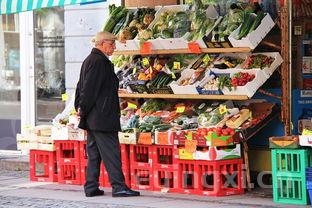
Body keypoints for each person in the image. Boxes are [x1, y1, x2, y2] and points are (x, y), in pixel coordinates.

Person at [74, 31, 140, 198]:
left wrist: (81, 110)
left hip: (94, 117)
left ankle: (91, 187)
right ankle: (119, 187)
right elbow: (88, 90)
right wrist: (83, 109)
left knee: (94, 154)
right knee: (111, 153)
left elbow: (80, 86)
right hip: (101, 117)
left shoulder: (90, 60)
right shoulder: (99, 62)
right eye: (111, 44)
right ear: (102, 44)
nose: (114, 47)